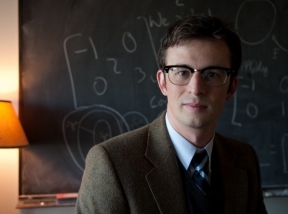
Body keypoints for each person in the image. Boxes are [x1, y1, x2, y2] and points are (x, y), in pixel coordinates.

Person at [75, 14, 267, 214]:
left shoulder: (244, 159)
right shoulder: (112, 164)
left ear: (231, 87)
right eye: (182, 72)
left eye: (211, 74)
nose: (196, 88)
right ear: (163, 82)